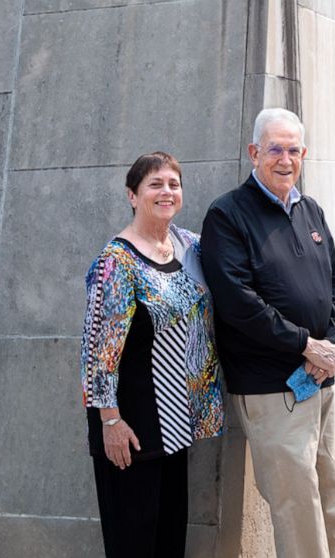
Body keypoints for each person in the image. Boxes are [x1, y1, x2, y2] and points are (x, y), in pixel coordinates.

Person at [200, 108, 335, 558]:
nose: (285, 159)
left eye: (293, 150)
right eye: (274, 149)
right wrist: (306, 344)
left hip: (320, 382)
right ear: (254, 152)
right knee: (297, 506)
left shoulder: (311, 210)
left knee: (334, 495)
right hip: (272, 389)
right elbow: (237, 303)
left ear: (303, 154)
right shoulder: (227, 215)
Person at [80, 151, 224, 558]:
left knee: (168, 541)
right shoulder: (116, 262)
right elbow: (97, 353)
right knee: (134, 543)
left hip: (175, 426)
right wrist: (110, 421)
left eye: (173, 184)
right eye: (155, 184)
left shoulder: (187, 245)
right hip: (131, 428)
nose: (166, 191)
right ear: (132, 195)